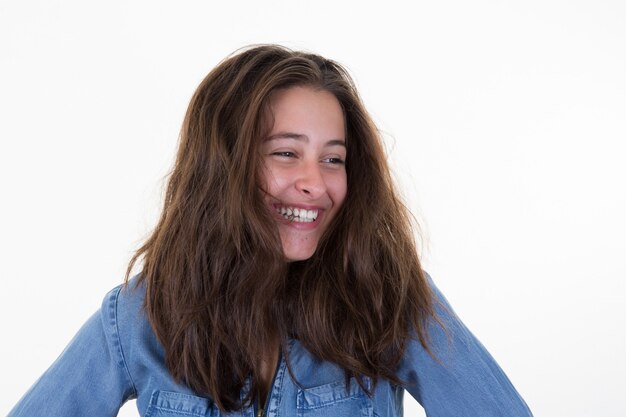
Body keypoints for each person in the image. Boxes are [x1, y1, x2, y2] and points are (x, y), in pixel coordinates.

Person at [8, 44, 533, 417]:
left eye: (333, 159)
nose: (316, 183)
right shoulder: (139, 315)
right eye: (286, 153)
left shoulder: (390, 297)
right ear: (224, 168)